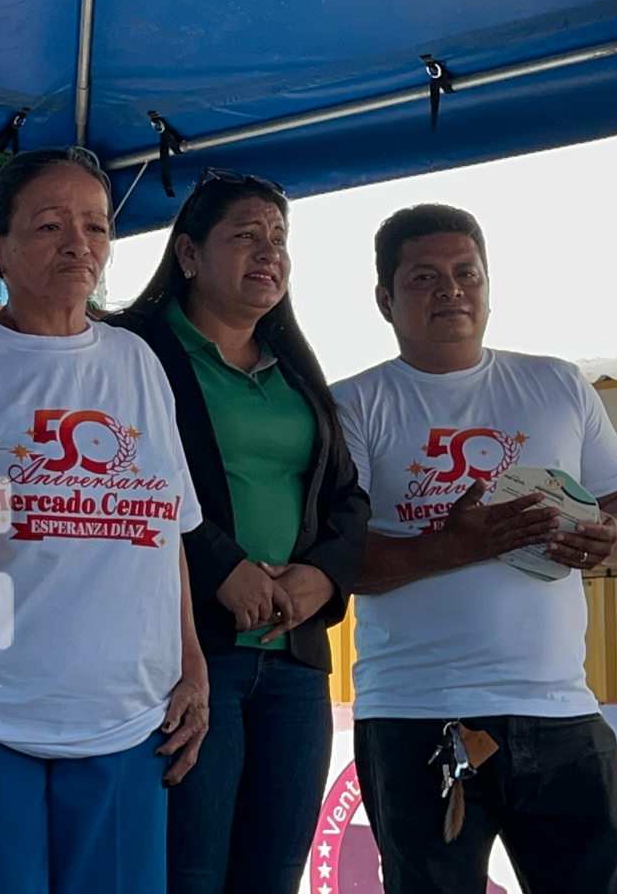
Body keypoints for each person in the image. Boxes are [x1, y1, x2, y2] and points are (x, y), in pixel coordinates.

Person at [0, 147, 210, 894]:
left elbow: (165, 531)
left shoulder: (137, 362)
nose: (80, 243)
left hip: (128, 722)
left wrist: (190, 661)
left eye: (96, 225)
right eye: (50, 225)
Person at [330, 203, 617, 894]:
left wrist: (610, 538)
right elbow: (343, 563)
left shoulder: (556, 384)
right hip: (418, 715)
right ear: (385, 299)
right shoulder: (350, 405)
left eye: (465, 272)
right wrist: (457, 544)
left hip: (564, 710)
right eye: (424, 278)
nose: (451, 290)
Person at [109, 169, 368, 894]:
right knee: (187, 870)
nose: (269, 252)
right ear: (188, 255)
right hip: (188, 654)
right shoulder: (135, 350)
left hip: (293, 663)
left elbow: (347, 497)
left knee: (273, 875)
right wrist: (221, 563)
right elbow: (130, 479)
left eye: (279, 239)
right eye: (246, 235)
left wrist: (320, 577)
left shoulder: (293, 368)